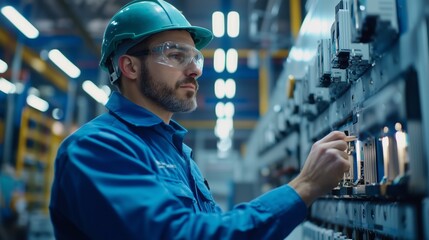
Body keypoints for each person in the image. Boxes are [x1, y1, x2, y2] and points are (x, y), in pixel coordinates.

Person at [49, 0, 350, 239]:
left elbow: (213, 225)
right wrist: (304, 187)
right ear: (129, 67)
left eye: (195, 58)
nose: (195, 70)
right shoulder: (96, 148)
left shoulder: (176, 151)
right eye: (176, 56)